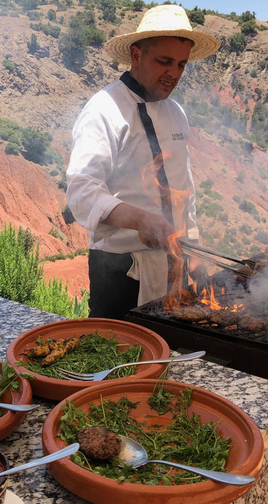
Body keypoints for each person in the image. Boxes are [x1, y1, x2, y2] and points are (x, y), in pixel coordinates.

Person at [65, 5, 220, 320]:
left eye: (181, 64)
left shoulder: (175, 113)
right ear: (135, 55)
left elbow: (182, 189)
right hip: (121, 271)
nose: (174, 73)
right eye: (164, 61)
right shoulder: (104, 109)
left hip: (172, 267)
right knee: (118, 361)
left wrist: (195, 254)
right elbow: (82, 191)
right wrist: (140, 220)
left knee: (165, 359)